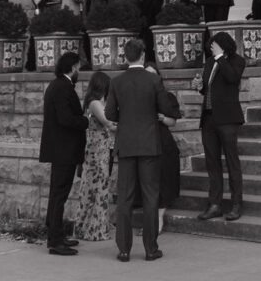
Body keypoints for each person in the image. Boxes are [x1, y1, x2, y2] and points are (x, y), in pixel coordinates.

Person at [105, 38, 175, 262]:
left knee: (124, 197)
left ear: (125, 57)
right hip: (149, 143)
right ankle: (150, 248)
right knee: (150, 197)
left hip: (126, 143)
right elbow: (166, 108)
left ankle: (124, 249)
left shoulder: (117, 81)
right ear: (143, 55)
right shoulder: (154, 79)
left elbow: (110, 114)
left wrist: (125, 117)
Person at [38, 51, 88, 256]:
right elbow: (66, 118)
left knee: (57, 193)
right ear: (73, 67)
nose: (79, 72)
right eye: (78, 68)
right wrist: (85, 121)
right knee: (59, 194)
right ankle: (55, 240)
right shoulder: (63, 87)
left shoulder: (57, 85)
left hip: (61, 149)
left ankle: (56, 233)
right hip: (64, 150)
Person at [196, 30, 246, 222]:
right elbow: (210, 88)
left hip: (227, 119)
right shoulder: (209, 62)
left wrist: (220, 58)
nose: (211, 49)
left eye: (214, 46)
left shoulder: (237, 61)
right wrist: (200, 86)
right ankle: (215, 204)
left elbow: (232, 78)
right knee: (212, 163)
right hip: (209, 118)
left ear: (222, 46)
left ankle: (236, 204)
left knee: (232, 162)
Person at [74, 71, 117, 241]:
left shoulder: (100, 102)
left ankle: (97, 226)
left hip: (103, 149)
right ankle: (92, 229)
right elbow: (108, 122)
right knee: (95, 187)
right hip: (96, 151)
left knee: (101, 186)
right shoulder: (94, 103)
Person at [139, 64, 181, 235]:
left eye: (153, 75)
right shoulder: (137, 97)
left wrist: (163, 118)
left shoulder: (167, 97)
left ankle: (159, 219)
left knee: (163, 180)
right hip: (143, 142)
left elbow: (173, 121)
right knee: (146, 182)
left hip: (163, 142)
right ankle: (148, 220)